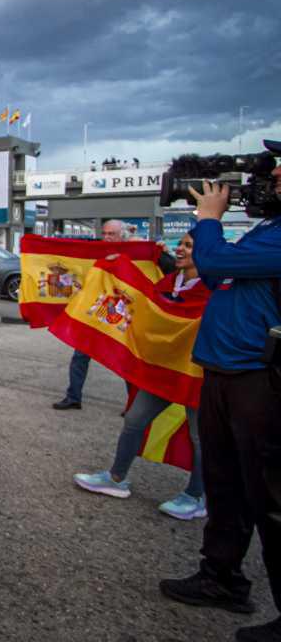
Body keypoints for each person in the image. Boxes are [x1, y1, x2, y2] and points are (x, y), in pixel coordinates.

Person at [160, 143, 281, 641]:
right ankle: (221, 578)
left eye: (280, 170)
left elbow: (216, 258)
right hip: (226, 375)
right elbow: (214, 269)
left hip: (261, 381)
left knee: (270, 498)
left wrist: (209, 218)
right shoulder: (268, 230)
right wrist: (206, 239)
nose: (271, 176)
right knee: (226, 485)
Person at [73, 232, 210, 520]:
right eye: (181, 244)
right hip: (164, 371)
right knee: (134, 419)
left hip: (196, 374)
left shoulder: (214, 287)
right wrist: (116, 266)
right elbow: (141, 300)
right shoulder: (168, 283)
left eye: (189, 246)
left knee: (201, 438)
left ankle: (196, 496)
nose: (181, 250)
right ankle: (116, 478)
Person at [53, 219, 132, 409]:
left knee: (126, 360)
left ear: (122, 235)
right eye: (104, 233)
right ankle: (73, 397)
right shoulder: (93, 254)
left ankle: (133, 405)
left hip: (120, 314)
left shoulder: (132, 256)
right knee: (80, 356)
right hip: (94, 312)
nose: (106, 237)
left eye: (111, 234)